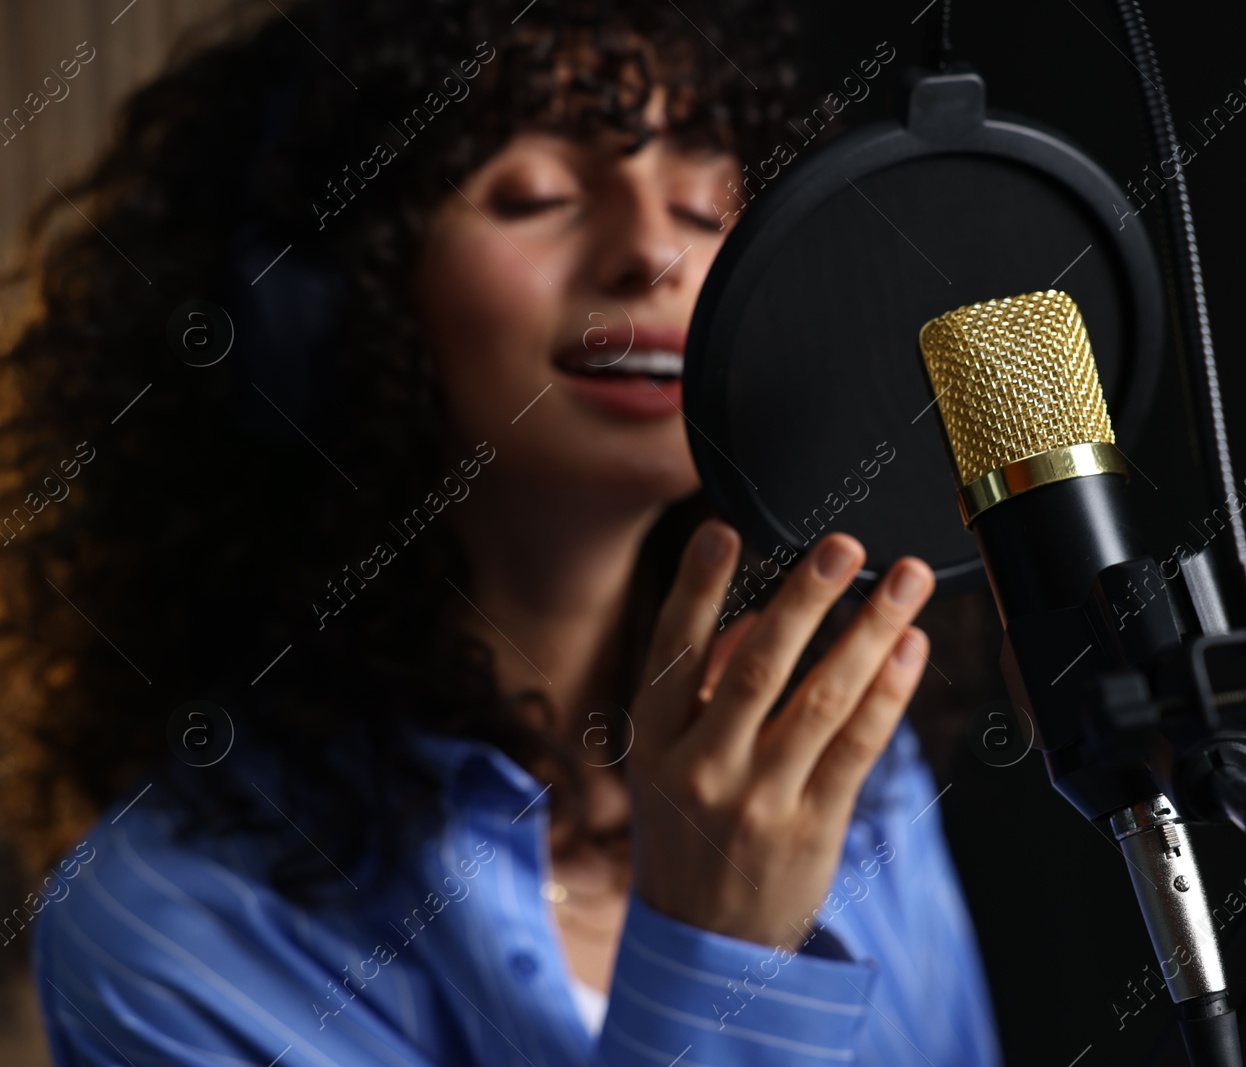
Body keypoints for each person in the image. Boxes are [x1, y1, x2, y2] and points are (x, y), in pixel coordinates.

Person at [0, 1, 1004, 1064]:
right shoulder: (173, 928)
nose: (653, 253)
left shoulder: (842, 764)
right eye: (539, 195)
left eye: (701, 201)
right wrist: (720, 955)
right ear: (320, 311)